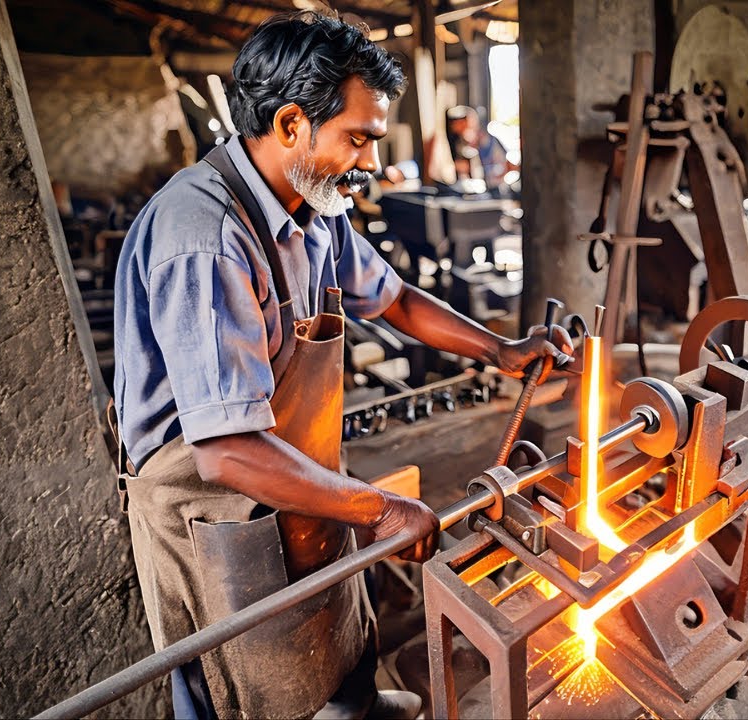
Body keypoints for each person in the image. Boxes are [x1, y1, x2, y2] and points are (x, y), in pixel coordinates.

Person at [112, 12, 570, 719]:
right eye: (358, 139)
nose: (372, 161)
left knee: (331, 633)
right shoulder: (203, 237)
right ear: (292, 123)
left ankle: (351, 704)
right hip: (216, 510)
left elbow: (395, 299)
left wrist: (499, 351)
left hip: (294, 468)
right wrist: (381, 508)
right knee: (244, 685)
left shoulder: (316, 209)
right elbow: (228, 451)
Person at [445, 105, 517, 188]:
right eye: (454, 123)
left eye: (462, 122)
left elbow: (506, 165)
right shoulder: (459, 144)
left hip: (491, 188)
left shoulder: (489, 142)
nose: (455, 126)